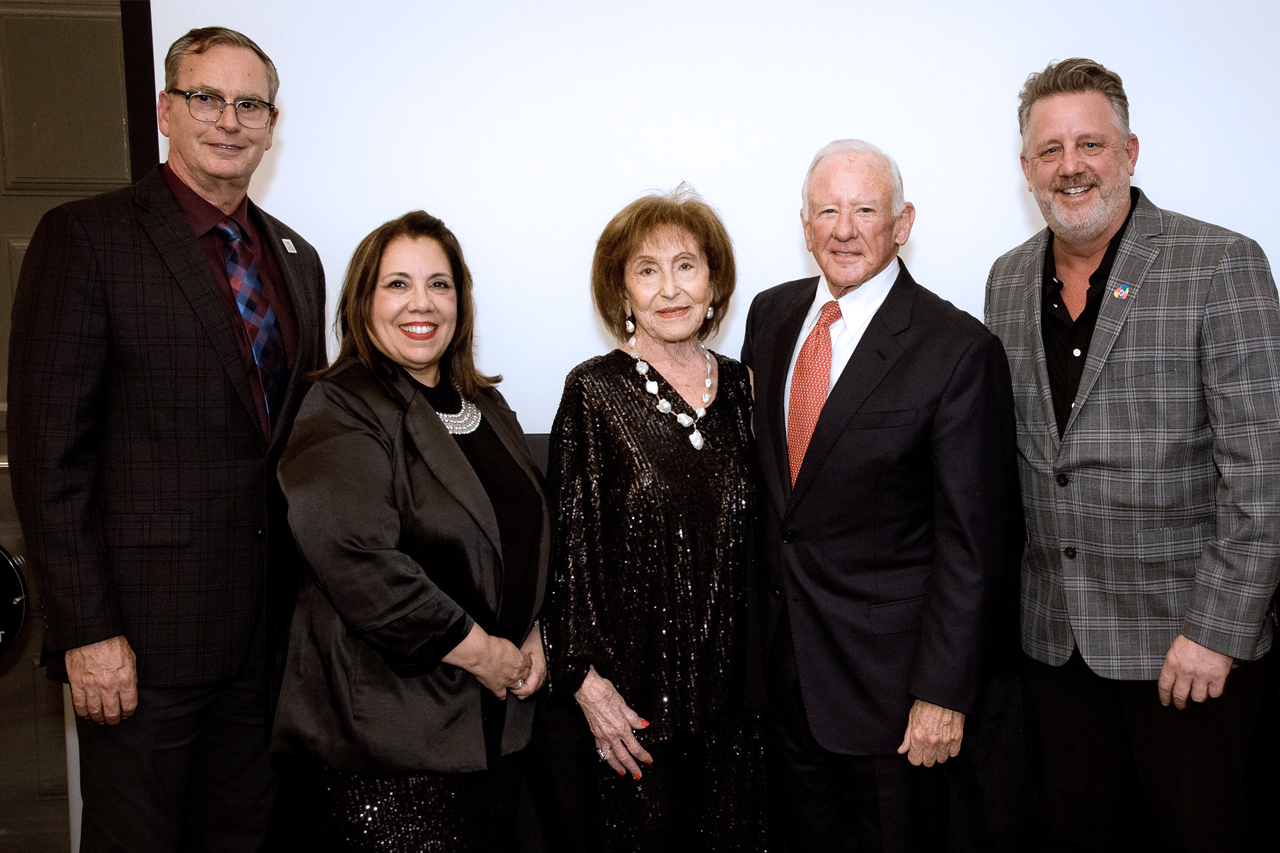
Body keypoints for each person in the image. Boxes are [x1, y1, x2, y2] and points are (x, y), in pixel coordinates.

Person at [7, 26, 325, 851]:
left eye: (248, 103)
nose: (228, 119)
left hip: (263, 645)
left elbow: (297, 449)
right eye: (206, 98)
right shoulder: (87, 238)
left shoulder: (297, 258)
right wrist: (84, 628)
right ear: (165, 111)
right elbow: (50, 458)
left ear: (272, 121)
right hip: (139, 646)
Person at [984, 58, 1280, 851]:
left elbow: (1264, 472)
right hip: (1054, 648)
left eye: (1090, 144)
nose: (1070, 166)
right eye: (1049, 150)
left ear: (1130, 152)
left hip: (1183, 655)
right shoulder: (1006, 281)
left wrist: (1216, 630)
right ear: (1025, 168)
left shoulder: (1221, 263)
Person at [741, 139, 1020, 852]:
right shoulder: (770, 319)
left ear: (903, 223)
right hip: (785, 683)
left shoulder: (957, 349)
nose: (844, 228)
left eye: (865, 209)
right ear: (804, 226)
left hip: (895, 701)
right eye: (827, 210)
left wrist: (943, 692)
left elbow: (973, 543)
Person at [271, 210, 549, 852]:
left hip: (493, 733)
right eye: (397, 284)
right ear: (362, 300)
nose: (421, 304)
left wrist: (536, 632)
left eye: (439, 284)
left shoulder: (482, 405)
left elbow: (530, 535)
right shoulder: (341, 405)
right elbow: (359, 560)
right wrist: (487, 655)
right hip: (389, 749)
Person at [542, 186, 767, 851]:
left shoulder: (745, 389)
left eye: (686, 265)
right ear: (622, 291)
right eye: (647, 269)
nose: (669, 287)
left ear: (713, 280)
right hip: (633, 711)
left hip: (738, 712)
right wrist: (586, 685)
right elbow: (569, 553)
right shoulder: (595, 390)